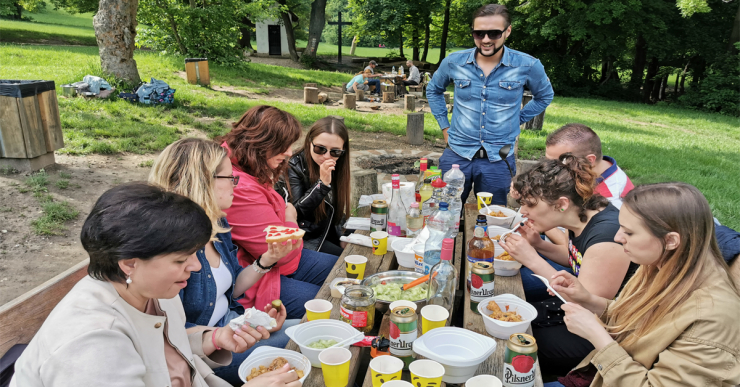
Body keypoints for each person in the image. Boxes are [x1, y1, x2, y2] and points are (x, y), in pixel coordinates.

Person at [10, 183, 301, 387]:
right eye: (181, 259)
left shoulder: (151, 290)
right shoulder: (92, 344)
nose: (196, 266)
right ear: (129, 263)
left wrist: (214, 338)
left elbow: (161, 347)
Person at [544, 183, 740, 387]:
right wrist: (587, 299)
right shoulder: (660, 264)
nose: (617, 237)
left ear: (671, 240)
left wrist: (597, 335)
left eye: (629, 233)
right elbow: (633, 317)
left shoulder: (712, 320)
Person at [148, 138, 302, 385]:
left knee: (309, 326)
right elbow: (169, 333)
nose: (235, 185)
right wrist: (229, 333)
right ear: (203, 182)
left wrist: (266, 261)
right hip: (210, 355)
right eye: (230, 178)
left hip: (233, 326)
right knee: (305, 343)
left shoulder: (217, 225)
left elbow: (231, 289)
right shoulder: (172, 250)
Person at [499, 153, 636, 375]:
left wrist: (532, 259)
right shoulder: (582, 216)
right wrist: (539, 245)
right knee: (513, 317)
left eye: (530, 204)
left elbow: (584, 300)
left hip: (609, 332)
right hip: (579, 314)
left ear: (562, 204)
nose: (523, 211)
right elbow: (578, 259)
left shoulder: (606, 236)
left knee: (520, 344)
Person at [219, 105, 339, 320]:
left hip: (282, 258)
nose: (290, 153)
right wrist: (290, 220)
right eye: (283, 146)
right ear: (259, 143)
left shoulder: (253, 166)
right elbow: (279, 249)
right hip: (260, 275)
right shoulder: (240, 186)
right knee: (329, 305)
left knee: (343, 271)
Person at [426, 3, 554, 205]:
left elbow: (545, 96)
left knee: (492, 219)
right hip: (457, 153)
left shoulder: (528, 65)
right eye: (479, 34)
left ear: (507, 31)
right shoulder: (453, 62)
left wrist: (517, 118)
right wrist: (444, 125)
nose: (485, 40)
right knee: (443, 212)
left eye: (494, 33)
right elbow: (433, 89)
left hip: (499, 158)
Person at [275, 117, 351, 257]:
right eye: (320, 149)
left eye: (335, 152)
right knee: (346, 260)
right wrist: (322, 184)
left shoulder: (338, 163)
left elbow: (335, 208)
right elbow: (295, 213)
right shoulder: (293, 167)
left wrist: (342, 234)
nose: (326, 156)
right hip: (308, 238)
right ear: (309, 142)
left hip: (328, 229)